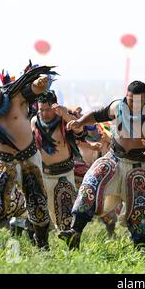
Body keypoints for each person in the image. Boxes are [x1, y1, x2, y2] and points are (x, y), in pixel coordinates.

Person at [59, 80, 145, 250]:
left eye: (137, 100)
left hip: (138, 165)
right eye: (130, 99)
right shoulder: (118, 106)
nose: (132, 103)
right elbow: (98, 114)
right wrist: (79, 122)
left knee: (139, 210)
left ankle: (140, 249)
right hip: (114, 157)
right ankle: (74, 231)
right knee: (90, 183)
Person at [0, 64, 56, 258]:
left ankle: (42, 247)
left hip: (29, 157)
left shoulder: (17, 96)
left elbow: (34, 89)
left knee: (37, 202)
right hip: (2, 161)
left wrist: (40, 84)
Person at [31, 90, 87, 232]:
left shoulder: (65, 119)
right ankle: (42, 246)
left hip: (64, 174)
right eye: (41, 109)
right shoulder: (35, 121)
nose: (44, 113)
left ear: (55, 107)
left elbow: (80, 131)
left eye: (48, 109)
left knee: (66, 215)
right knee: (42, 214)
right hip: (43, 174)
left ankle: (71, 246)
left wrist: (65, 115)